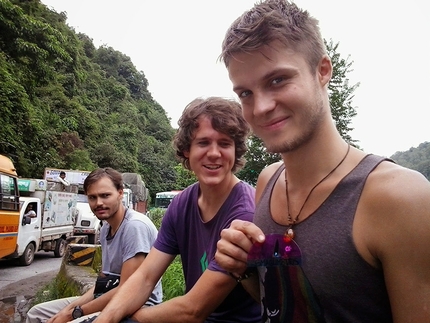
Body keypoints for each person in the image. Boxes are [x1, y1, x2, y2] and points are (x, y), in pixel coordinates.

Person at [214, 1, 430, 322]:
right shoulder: (268, 181)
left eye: (277, 80)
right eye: (245, 93)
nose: (259, 108)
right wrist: (243, 269)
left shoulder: (400, 197)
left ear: (322, 71)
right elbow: (281, 304)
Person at [93, 97, 261, 323]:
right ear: (186, 151)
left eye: (224, 143)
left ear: (235, 151)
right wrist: (107, 318)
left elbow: (193, 310)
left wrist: (129, 319)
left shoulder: (244, 213)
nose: (214, 153)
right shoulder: (182, 204)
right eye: (203, 143)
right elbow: (145, 276)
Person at [26, 167, 162, 323]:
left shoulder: (134, 227)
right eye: (92, 197)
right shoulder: (105, 229)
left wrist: (73, 313)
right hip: (107, 296)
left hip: (136, 306)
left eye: (105, 196)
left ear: (120, 193)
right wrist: (67, 310)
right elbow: (102, 284)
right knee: (37, 313)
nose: (99, 203)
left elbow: (128, 290)